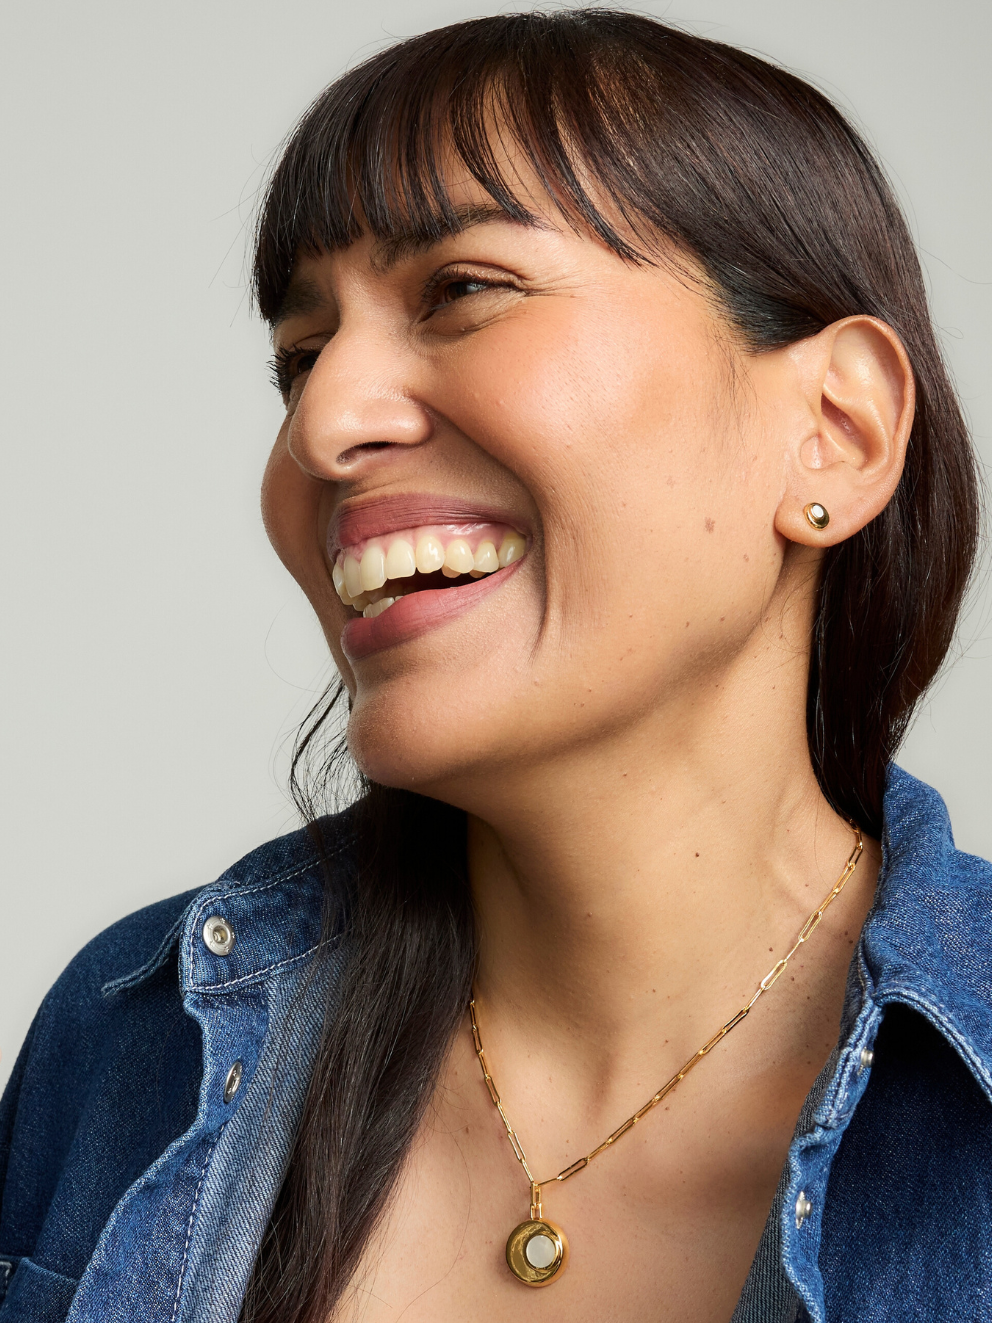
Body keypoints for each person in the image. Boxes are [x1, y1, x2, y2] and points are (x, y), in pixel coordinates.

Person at [0, 9, 987, 1322]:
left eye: (462, 290)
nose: (323, 424)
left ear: (835, 432)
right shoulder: (131, 1042)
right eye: (300, 359)